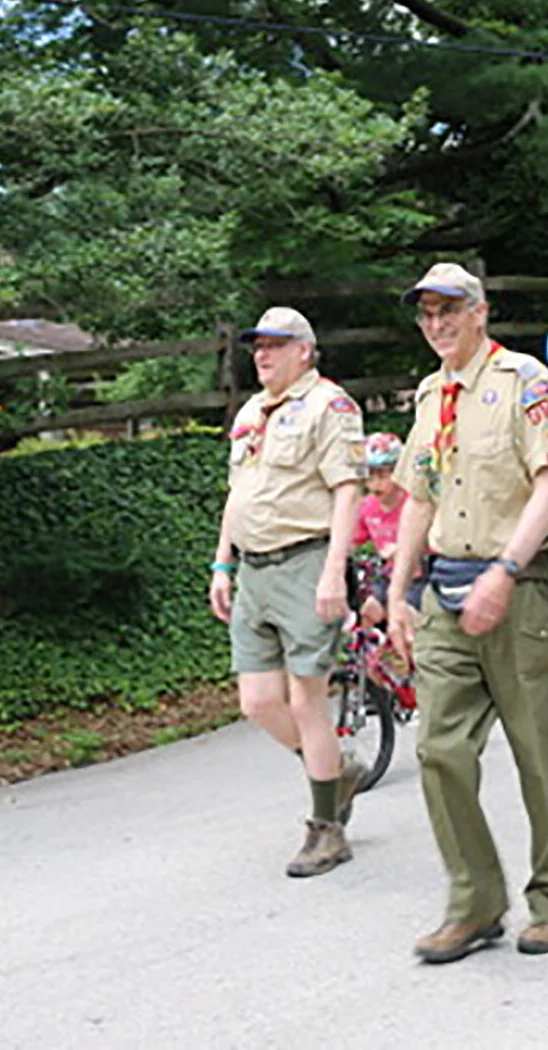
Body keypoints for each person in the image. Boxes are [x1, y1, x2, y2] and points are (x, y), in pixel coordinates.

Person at [382, 263, 548, 965]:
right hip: (446, 592)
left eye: (449, 310)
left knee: (542, 757)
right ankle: (474, 904)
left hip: (525, 592)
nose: (436, 323)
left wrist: (505, 570)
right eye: (425, 313)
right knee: (439, 749)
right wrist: (399, 591)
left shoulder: (525, 381)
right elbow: (419, 496)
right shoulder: (432, 394)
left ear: (480, 312)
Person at [208, 307, 367, 879]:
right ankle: (332, 770)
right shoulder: (252, 411)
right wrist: (221, 565)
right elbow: (238, 493)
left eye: (275, 345)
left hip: (304, 562)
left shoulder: (331, 405)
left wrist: (334, 571)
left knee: (307, 699)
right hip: (253, 570)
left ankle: (327, 829)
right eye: (257, 347)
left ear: (305, 350)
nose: (262, 355)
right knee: (257, 701)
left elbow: (348, 490)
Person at [352, 432, 407, 620]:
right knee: (369, 609)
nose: (375, 483)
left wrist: (403, 549)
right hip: (386, 574)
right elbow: (353, 539)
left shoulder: (412, 503)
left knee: (407, 613)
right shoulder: (367, 506)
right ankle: (372, 645)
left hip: (417, 573)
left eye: (383, 475)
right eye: (370, 476)